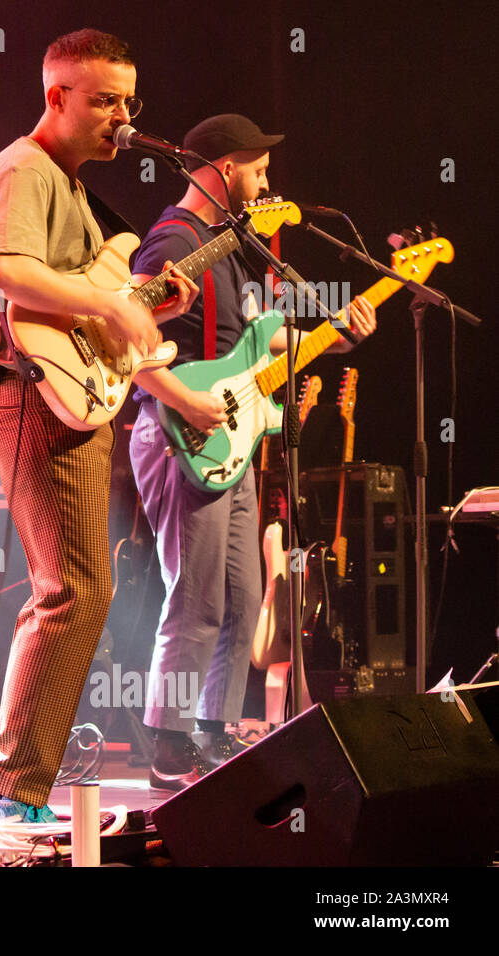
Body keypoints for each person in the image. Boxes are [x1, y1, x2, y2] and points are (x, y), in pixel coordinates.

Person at [0, 29, 197, 829]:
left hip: (69, 395)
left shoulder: (71, 185)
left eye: (129, 101)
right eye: (103, 101)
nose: (122, 118)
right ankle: (2, 789)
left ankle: (8, 786)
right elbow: (6, 273)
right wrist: (108, 302)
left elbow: (75, 295)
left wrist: (148, 305)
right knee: (73, 593)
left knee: (79, 592)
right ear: (56, 96)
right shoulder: (25, 167)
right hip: (30, 393)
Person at [128, 113, 376, 790]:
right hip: (184, 430)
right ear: (225, 169)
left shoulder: (233, 246)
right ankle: (167, 742)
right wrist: (186, 400)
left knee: (241, 596)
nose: (268, 181)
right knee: (198, 597)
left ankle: (210, 731)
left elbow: (259, 342)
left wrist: (335, 334)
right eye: (258, 168)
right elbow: (126, 350)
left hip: (228, 433)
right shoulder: (173, 244)